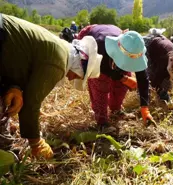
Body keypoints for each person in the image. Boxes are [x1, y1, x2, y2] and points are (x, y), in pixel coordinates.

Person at [0, 14, 102, 159]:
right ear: (80, 66)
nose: (72, 78)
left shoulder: (59, 50)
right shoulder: (58, 63)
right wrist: (36, 143)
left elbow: (20, 57)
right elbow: (31, 103)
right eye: (79, 76)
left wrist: (14, 86)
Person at [78, 25, 155, 127]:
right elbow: (102, 68)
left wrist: (145, 108)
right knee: (101, 84)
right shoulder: (100, 46)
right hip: (98, 57)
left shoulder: (135, 48)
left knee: (121, 86)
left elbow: (143, 78)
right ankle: (102, 121)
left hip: (111, 51)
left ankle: (116, 110)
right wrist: (122, 78)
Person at [144, 28, 173, 106]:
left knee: (166, 82)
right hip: (151, 46)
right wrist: (159, 93)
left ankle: (163, 95)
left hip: (163, 49)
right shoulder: (164, 61)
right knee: (150, 74)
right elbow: (156, 79)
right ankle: (144, 97)